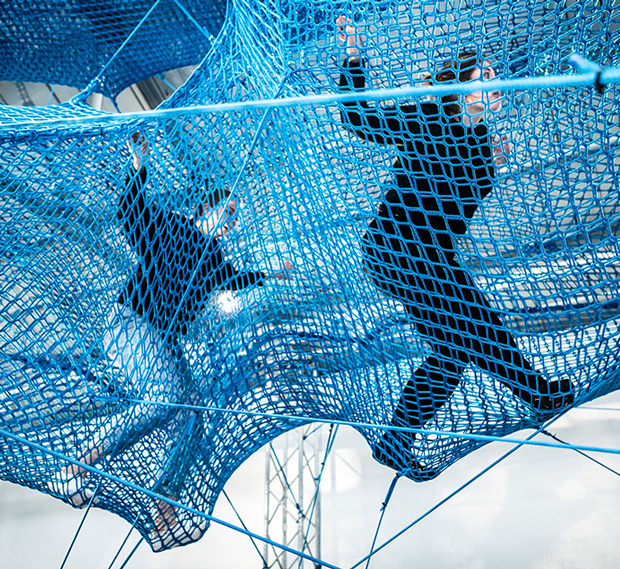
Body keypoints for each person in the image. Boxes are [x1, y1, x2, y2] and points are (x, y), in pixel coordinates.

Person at [335, 16, 573, 477]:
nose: (496, 81)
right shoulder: (429, 118)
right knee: (474, 323)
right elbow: (356, 116)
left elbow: (455, 220)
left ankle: (398, 438)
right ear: (461, 86)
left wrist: (485, 170)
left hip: (431, 253)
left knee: (455, 346)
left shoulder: (482, 145)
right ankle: (535, 393)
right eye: (485, 75)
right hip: (395, 250)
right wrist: (353, 55)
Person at [49, 133, 292, 545]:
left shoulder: (216, 259)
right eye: (228, 212)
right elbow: (130, 211)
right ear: (205, 209)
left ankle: (164, 506)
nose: (233, 222)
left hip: (162, 339)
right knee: (162, 397)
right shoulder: (174, 230)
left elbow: (237, 279)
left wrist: (274, 273)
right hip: (129, 325)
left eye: (236, 217)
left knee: (192, 415)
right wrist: (139, 167)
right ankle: (76, 465)